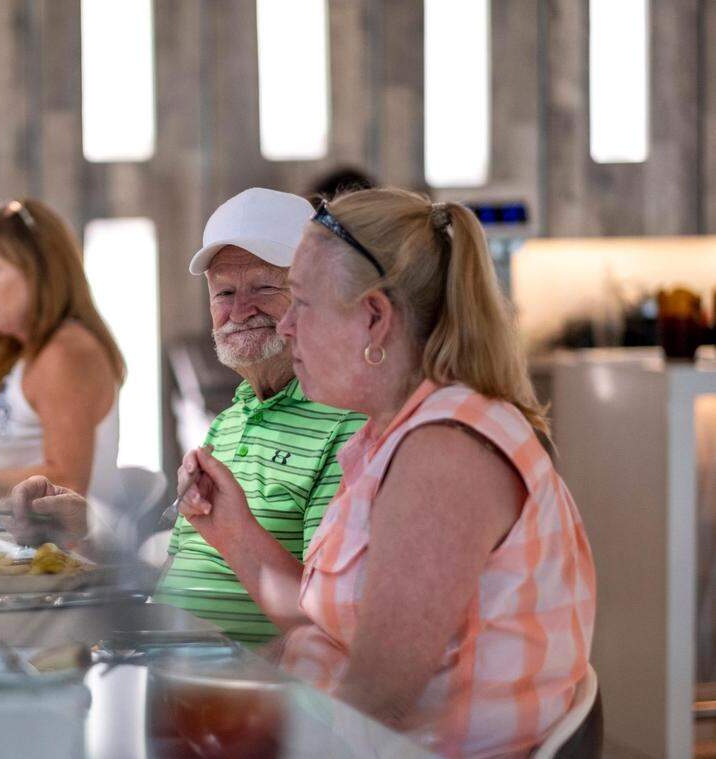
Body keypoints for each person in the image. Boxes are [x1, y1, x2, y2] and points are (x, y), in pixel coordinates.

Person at [176, 188, 596, 755]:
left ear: (374, 319)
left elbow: (377, 706)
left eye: (301, 302)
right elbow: (323, 627)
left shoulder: (445, 457)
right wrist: (230, 527)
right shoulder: (394, 431)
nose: (288, 328)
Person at [9, 188, 366, 645]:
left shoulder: (347, 424)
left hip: (245, 695)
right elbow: (172, 579)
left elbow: (328, 624)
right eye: (225, 292)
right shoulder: (231, 419)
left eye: (264, 287)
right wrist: (83, 533)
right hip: (171, 665)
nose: (240, 310)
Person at [0, 198, 125, 514]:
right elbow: (11, 443)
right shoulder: (35, 352)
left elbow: (67, 482)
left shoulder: (65, 354)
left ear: (40, 272)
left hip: (58, 553)